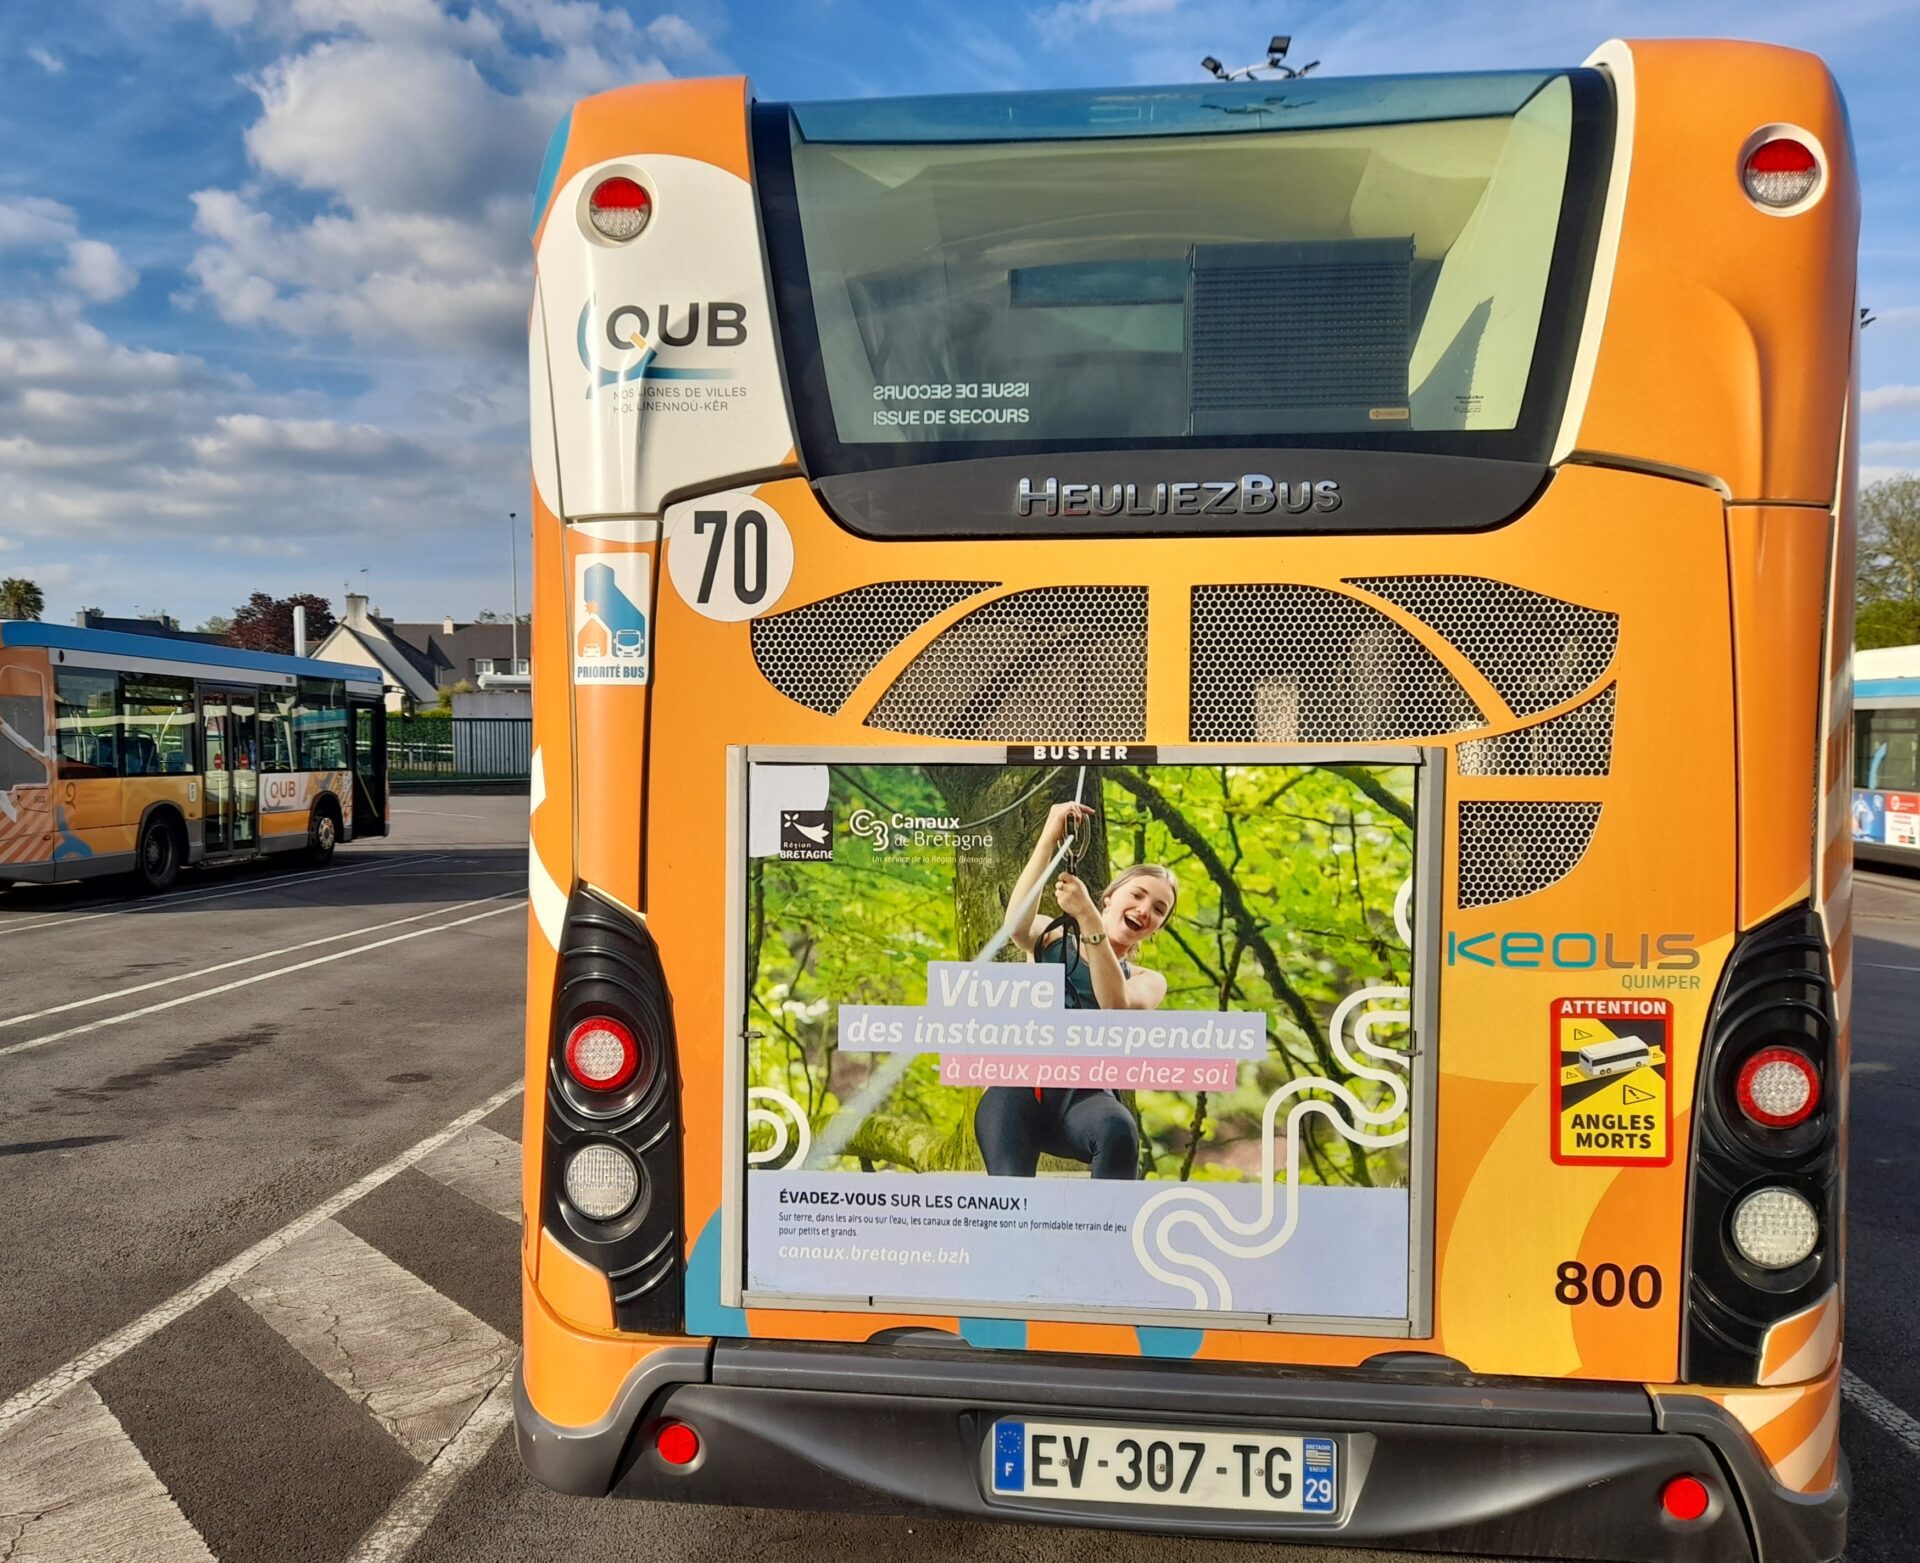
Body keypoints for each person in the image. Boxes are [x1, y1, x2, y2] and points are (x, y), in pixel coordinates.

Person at [973, 800, 1177, 1180]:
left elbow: (1115, 1004)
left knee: (1118, 1131)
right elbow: (1016, 926)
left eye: (1159, 908)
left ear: (1157, 927)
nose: (1145, 908)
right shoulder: (1052, 935)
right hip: (1020, 1085)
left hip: (1085, 1097)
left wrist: (1088, 919)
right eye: (1137, 895)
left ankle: (1106, 1231)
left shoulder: (1147, 980)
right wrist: (1050, 837)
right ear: (1110, 897)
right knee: (1011, 1189)